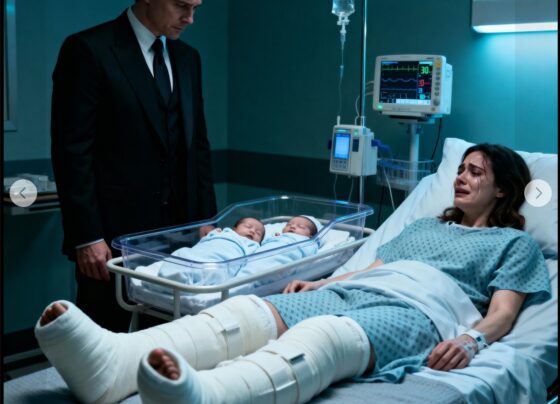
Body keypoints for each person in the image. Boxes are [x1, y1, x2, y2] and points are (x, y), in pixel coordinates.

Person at [35, 144, 551, 403]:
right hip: (361, 290)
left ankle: (207, 396)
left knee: (323, 337)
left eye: (475, 172)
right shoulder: (422, 226)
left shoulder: (513, 243)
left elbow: (503, 315)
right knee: (249, 312)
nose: (460, 178)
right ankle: (112, 366)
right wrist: (323, 282)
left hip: (417, 314)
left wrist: (472, 341)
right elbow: (375, 266)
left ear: (504, 189)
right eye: (459, 169)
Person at [50, 0, 216, 332]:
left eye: (196, 8)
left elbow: (198, 145)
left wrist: (206, 221)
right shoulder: (89, 50)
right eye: (181, 5)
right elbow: (73, 151)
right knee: (100, 342)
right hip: (111, 239)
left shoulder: (188, 58)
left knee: (165, 339)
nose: (190, 18)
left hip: (179, 236)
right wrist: (87, 236)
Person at [151, 217, 265, 288]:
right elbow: (204, 229)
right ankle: (167, 278)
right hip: (198, 253)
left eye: (258, 233)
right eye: (248, 226)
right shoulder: (223, 232)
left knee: (215, 271)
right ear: (234, 228)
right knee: (181, 253)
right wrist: (208, 233)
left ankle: (179, 283)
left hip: (219, 261)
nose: (252, 231)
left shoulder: (253, 245)